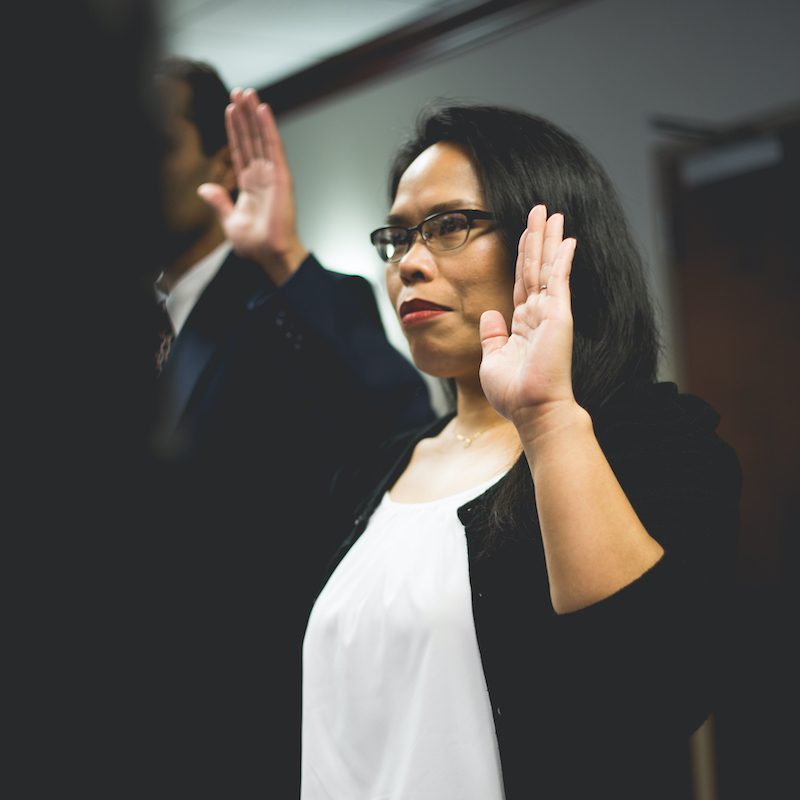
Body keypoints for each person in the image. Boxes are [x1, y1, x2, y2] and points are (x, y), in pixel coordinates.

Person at [248, 102, 740, 799]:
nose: (409, 264)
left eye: (448, 226)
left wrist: (546, 418)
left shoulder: (655, 443)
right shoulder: (371, 474)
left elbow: (650, 692)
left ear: (554, 236)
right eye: (398, 237)